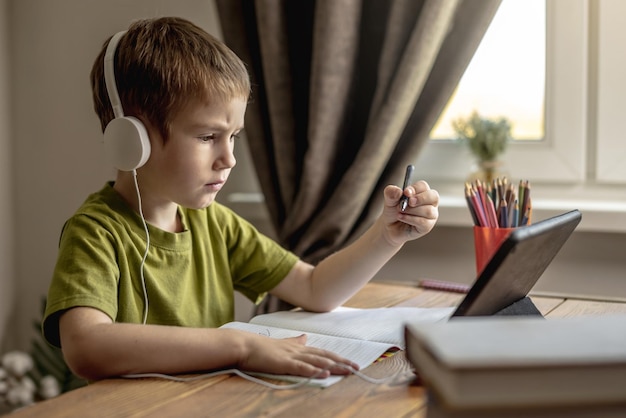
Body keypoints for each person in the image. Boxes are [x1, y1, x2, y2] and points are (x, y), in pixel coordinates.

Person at [42, 16, 439, 382]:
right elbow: (86, 346)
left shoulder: (215, 224)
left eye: (232, 137)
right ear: (132, 140)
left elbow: (316, 288)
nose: (228, 159)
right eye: (207, 137)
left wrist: (385, 237)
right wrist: (241, 345)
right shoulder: (95, 233)